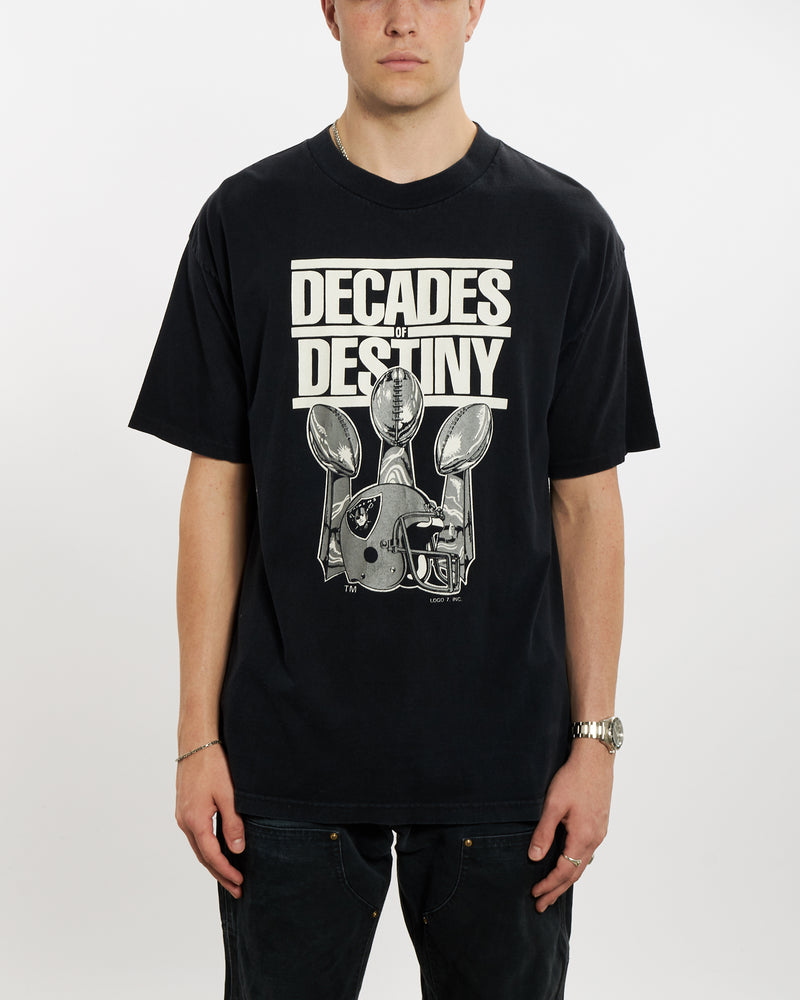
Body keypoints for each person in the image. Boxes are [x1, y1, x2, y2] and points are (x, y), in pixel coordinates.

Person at [129, 1, 659, 997]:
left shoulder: (563, 229)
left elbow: (586, 502)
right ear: (329, 11)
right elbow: (216, 487)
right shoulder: (247, 221)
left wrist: (594, 744)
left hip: (505, 774)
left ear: (475, 9)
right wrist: (196, 737)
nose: (402, 16)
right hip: (284, 770)